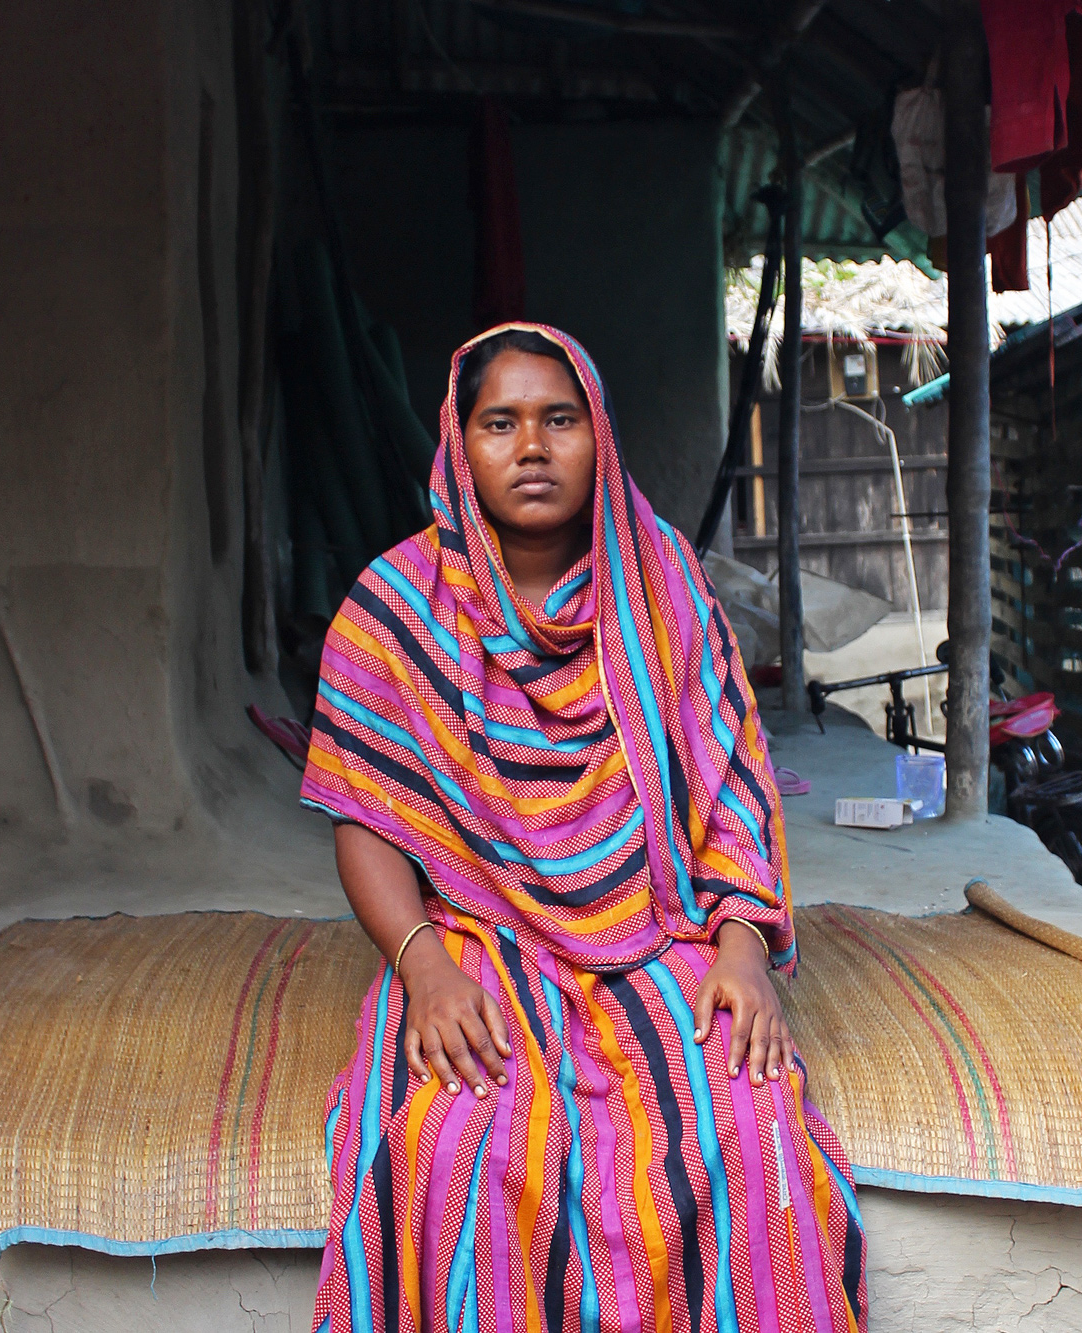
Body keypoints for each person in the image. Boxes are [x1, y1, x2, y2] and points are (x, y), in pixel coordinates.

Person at [302, 324, 867, 1333]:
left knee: (741, 1124)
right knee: (447, 1138)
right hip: (475, 937)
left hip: (657, 929)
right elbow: (365, 811)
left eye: (558, 419)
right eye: (499, 422)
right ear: (456, 443)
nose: (530, 446)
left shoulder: (670, 598)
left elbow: (733, 789)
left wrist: (739, 952)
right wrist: (423, 969)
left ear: (598, 436)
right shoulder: (390, 612)